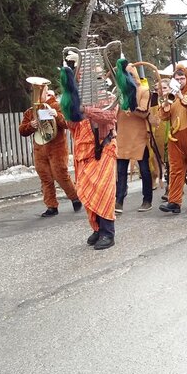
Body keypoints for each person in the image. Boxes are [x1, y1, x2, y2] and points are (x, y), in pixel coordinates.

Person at [55, 65, 117, 250]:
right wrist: (71, 110)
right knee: (89, 192)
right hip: (83, 153)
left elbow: (110, 117)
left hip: (103, 150)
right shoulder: (76, 97)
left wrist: (86, 110)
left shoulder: (108, 97)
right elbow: (71, 125)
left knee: (103, 191)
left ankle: (108, 233)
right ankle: (97, 228)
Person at [18, 78, 81, 217]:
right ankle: (51, 206)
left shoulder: (56, 105)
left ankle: (75, 198)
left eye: (39, 90)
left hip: (56, 148)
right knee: (45, 177)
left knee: (61, 175)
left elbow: (67, 124)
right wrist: (31, 125)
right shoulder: (30, 111)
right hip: (39, 149)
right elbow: (22, 131)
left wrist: (56, 114)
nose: (35, 94)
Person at [158, 64, 187, 214]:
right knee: (175, 171)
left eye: (182, 78)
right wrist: (167, 101)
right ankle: (174, 201)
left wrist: (180, 95)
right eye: (176, 79)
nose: (179, 81)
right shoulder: (171, 96)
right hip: (175, 138)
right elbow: (164, 116)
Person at [113, 61, 157, 213]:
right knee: (120, 170)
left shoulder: (144, 90)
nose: (127, 78)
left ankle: (147, 199)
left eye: (130, 74)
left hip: (139, 135)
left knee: (144, 169)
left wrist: (131, 106)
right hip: (122, 136)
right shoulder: (118, 92)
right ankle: (118, 201)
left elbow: (144, 112)